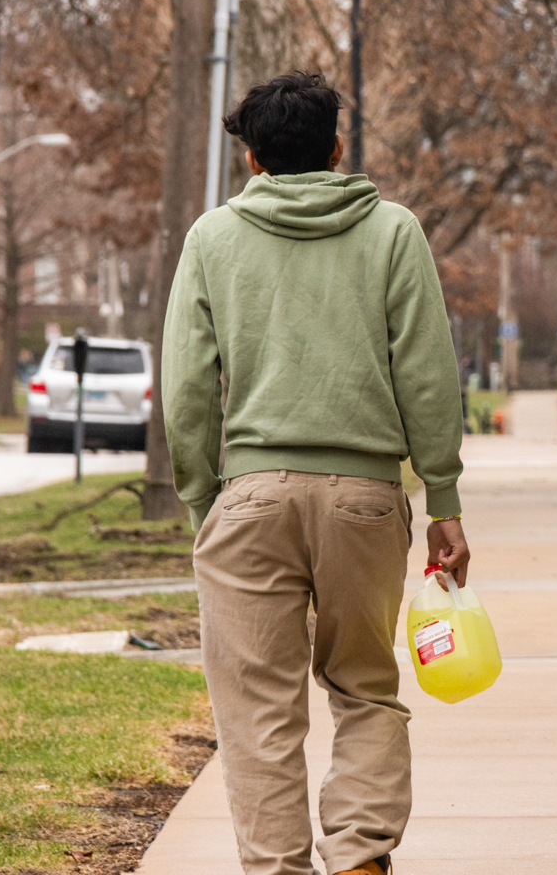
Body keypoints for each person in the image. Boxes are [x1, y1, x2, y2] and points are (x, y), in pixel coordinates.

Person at [162, 71, 469, 875]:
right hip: (366, 500)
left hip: (251, 496)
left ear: (253, 159)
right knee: (365, 686)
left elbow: (188, 386)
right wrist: (443, 498)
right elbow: (429, 376)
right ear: (337, 149)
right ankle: (362, 855)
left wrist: (204, 502)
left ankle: (276, 869)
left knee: (258, 709)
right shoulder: (394, 232)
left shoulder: (213, 239)